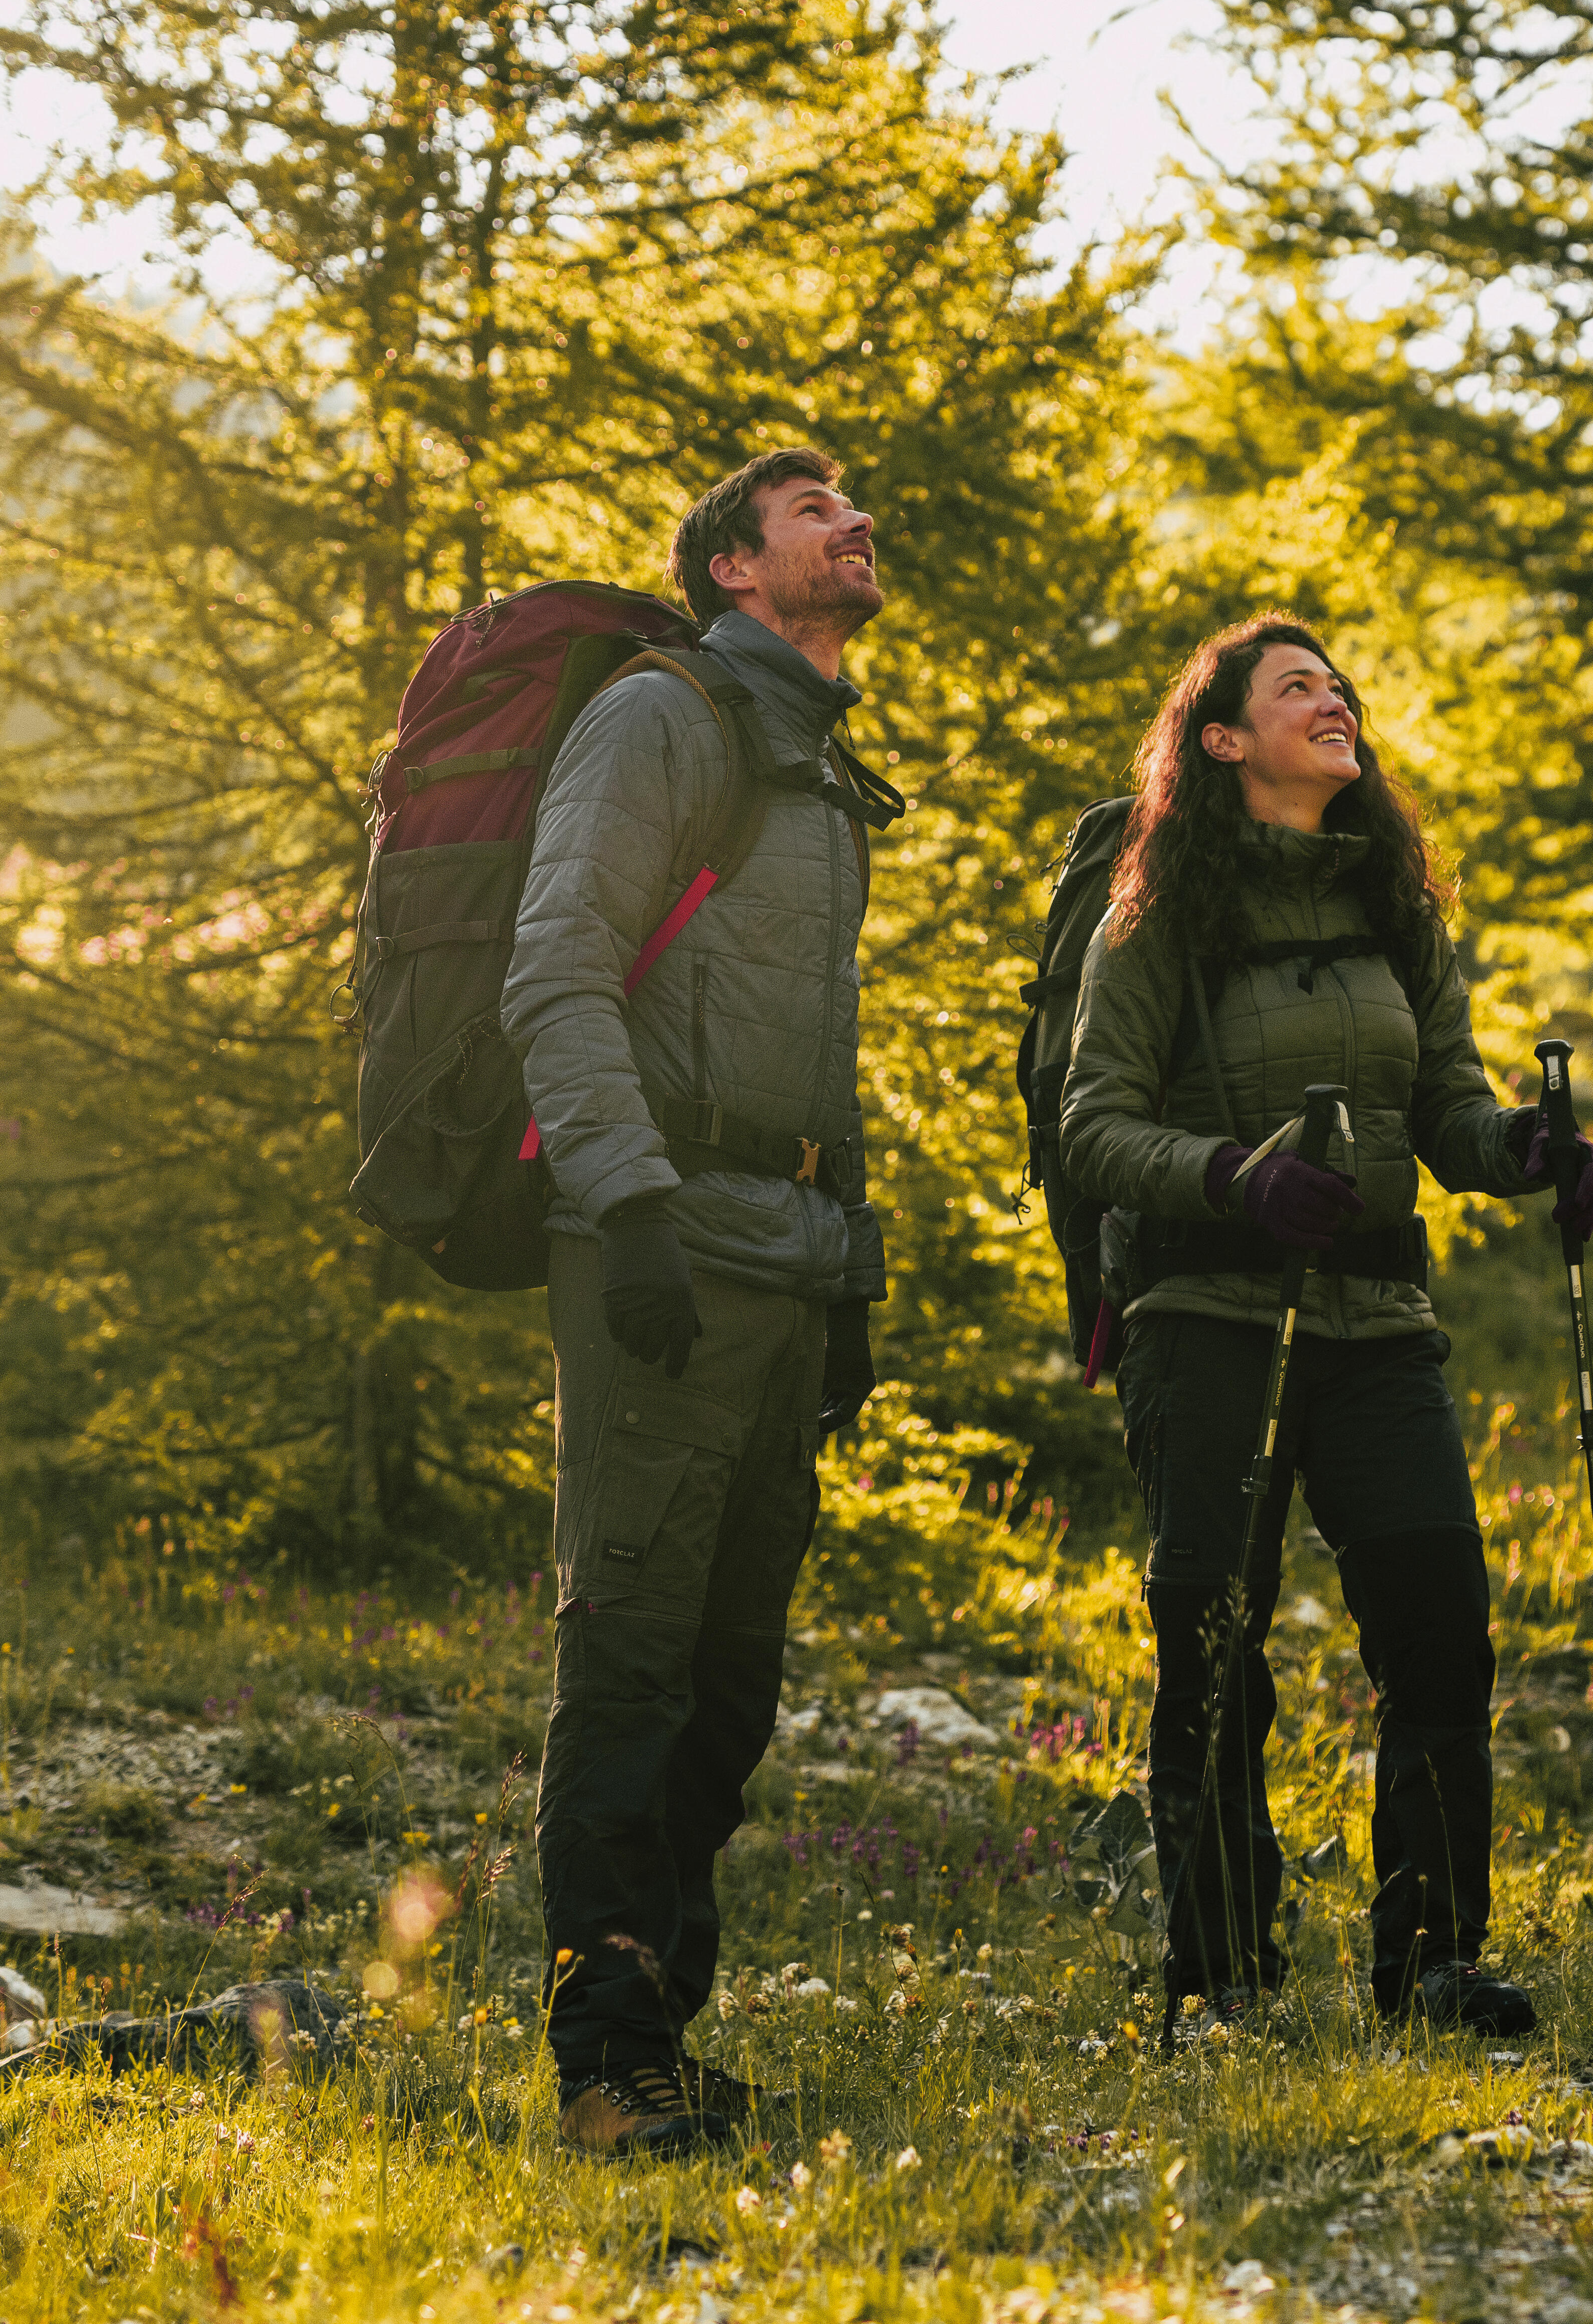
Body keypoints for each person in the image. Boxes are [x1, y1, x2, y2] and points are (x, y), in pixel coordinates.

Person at [1058, 618, 1593, 2033]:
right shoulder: (1156, 915)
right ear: (1223, 739)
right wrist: (1235, 1178)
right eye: (1295, 687)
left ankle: (1432, 1963)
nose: (1334, 699)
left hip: (1379, 1322)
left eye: (1339, 684)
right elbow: (1092, 1128)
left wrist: (1524, 1148)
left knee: (1441, 1630)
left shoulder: (1395, 909)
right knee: (1215, 1641)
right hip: (1204, 1319)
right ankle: (1220, 1973)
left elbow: (1447, 1110)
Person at [504, 444, 896, 2157]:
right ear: (734, 565)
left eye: (850, 506)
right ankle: (605, 2071)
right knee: (633, 1660)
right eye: (813, 510)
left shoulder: (814, 761)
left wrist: (850, 1266)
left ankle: (664, 2031)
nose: (853, 524)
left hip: (785, 1266)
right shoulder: (662, 719)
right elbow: (557, 966)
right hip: (661, 1253)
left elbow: (815, 1048)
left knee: (729, 1685)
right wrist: (630, 1205)